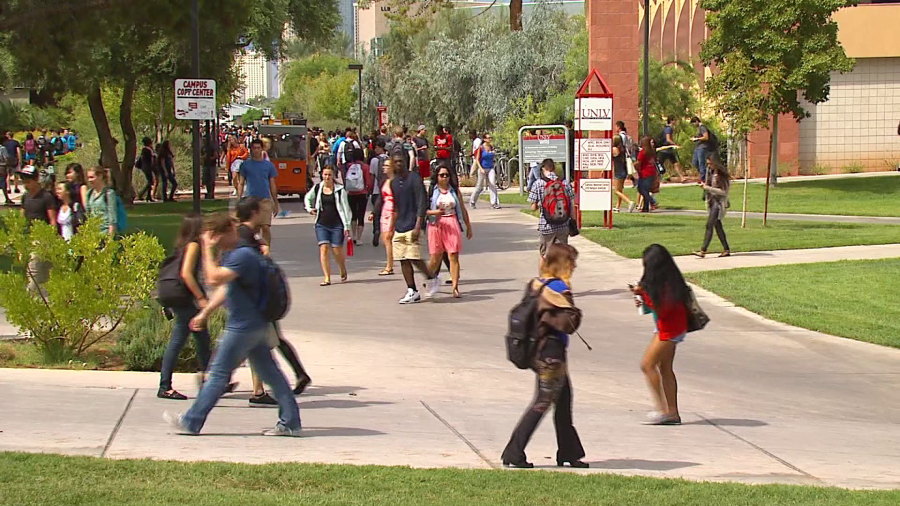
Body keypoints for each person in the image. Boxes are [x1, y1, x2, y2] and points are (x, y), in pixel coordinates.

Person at [164, 213, 301, 437]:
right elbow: (227, 288)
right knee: (272, 374)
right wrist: (205, 313)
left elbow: (212, 278)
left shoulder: (243, 255)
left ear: (229, 230)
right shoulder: (235, 255)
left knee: (218, 374)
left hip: (243, 327)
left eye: (216, 235)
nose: (214, 239)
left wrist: (207, 249)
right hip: (254, 325)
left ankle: (191, 422)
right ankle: (291, 422)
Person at [501, 243, 586, 469]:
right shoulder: (558, 289)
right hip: (551, 355)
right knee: (542, 401)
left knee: (564, 400)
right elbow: (570, 324)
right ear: (562, 264)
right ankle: (513, 452)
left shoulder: (535, 284)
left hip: (537, 352)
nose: (575, 266)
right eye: (571, 262)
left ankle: (569, 452)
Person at [237, 197, 312, 398]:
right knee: (266, 342)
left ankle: (256, 390)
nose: (264, 213)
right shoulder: (244, 235)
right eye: (261, 210)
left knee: (253, 345)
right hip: (257, 301)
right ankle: (293, 377)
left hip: (256, 302)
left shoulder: (247, 235)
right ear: (253, 213)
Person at [631, 244, 690, 426]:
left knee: (647, 365)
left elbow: (663, 310)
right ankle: (673, 412)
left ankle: (663, 409)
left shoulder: (667, 285)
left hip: (670, 329)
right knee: (665, 368)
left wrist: (644, 295)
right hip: (671, 327)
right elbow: (655, 309)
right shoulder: (666, 280)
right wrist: (642, 300)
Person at [157, 214, 211, 400]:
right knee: (179, 340)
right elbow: (187, 274)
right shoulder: (193, 245)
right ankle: (165, 386)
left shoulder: (181, 246)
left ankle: (211, 380)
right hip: (184, 299)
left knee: (202, 337)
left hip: (178, 297)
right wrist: (201, 297)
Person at [390, 155, 438, 304]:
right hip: (400, 226)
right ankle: (412, 290)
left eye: (401, 161)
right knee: (402, 259)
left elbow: (421, 203)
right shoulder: (393, 183)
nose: (398, 164)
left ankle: (432, 277)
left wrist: (418, 225)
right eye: (396, 162)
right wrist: (392, 226)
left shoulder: (415, 179)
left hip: (413, 225)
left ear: (406, 162)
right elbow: (396, 206)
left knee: (413, 257)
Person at [426, 163, 472, 298]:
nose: (444, 178)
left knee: (453, 255)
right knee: (435, 257)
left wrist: (468, 226)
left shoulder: (454, 191)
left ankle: (455, 287)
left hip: (451, 222)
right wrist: (434, 212)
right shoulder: (432, 191)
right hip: (436, 224)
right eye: (441, 175)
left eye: (447, 175)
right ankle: (431, 281)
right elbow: (424, 210)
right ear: (437, 177)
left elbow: (462, 209)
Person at [305, 166, 351, 286]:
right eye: (325, 175)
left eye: (329, 175)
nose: (327, 177)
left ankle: (342, 268)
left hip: (337, 224)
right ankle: (327, 277)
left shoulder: (340, 190)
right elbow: (308, 198)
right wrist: (310, 209)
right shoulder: (317, 188)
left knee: (337, 251)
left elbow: (346, 209)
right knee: (324, 248)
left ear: (333, 176)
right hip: (321, 223)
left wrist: (347, 226)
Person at [528, 159, 575, 270]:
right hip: (563, 224)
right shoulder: (564, 182)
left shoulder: (538, 183)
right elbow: (571, 203)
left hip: (546, 226)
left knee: (544, 256)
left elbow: (533, 207)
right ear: (554, 168)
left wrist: (541, 203)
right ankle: (562, 282)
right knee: (562, 255)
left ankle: (544, 281)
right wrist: (573, 220)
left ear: (543, 169)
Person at [19, 166, 58, 293]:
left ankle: (29, 296)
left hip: (41, 238)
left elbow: (52, 220)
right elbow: (21, 218)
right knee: (45, 271)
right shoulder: (25, 197)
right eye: (23, 180)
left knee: (34, 269)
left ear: (36, 180)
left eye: (28, 180)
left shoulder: (46, 197)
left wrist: (50, 238)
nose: (25, 183)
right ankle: (47, 297)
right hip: (28, 237)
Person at [237, 139, 279, 246]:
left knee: (265, 227)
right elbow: (241, 183)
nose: (256, 150)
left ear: (262, 149)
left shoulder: (268, 165)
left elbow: (272, 185)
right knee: (252, 228)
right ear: (251, 150)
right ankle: (254, 249)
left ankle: (266, 250)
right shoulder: (245, 165)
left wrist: (275, 202)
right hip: (250, 199)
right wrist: (239, 199)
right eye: (254, 148)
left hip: (264, 200)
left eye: (258, 148)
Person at [694, 154, 731, 258]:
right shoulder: (710, 173)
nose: (708, 166)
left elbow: (723, 191)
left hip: (718, 204)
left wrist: (707, 188)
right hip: (712, 202)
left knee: (709, 225)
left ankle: (703, 250)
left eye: (710, 163)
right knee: (718, 226)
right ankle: (726, 249)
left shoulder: (721, 176)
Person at [342, 149, 373, 246]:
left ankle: (353, 235)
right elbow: (368, 182)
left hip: (351, 193)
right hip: (362, 193)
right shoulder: (365, 167)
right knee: (361, 215)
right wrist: (369, 189)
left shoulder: (349, 166)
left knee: (353, 214)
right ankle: (359, 238)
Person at [371, 158, 396, 276]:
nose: (384, 167)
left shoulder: (396, 182)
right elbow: (380, 198)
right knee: (385, 238)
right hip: (385, 210)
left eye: (387, 165)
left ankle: (389, 266)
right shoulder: (384, 181)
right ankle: (390, 263)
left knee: (388, 238)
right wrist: (374, 212)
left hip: (393, 211)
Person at [85, 166, 119, 236]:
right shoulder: (89, 193)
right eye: (88, 178)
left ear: (100, 176)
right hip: (93, 233)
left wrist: (110, 239)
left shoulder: (109, 193)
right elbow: (88, 214)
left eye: (92, 177)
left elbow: (112, 217)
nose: (89, 180)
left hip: (105, 232)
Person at [469, 134, 499, 209]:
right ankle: (472, 201)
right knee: (479, 187)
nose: (490, 139)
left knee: (492, 184)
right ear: (485, 139)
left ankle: (494, 203)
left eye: (490, 138)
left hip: (490, 168)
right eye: (488, 138)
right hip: (482, 168)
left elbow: (493, 157)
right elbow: (477, 159)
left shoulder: (491, 147)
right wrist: (481, 168)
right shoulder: (481, 148)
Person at [369, 139, 388, 247]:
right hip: (387, 190)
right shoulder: (389, 159)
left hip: (377, 190)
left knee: (376, 213)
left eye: (376, 147)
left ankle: (376, 230)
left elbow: (372, 176)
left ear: (380, 147)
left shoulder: (374, 161)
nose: (375, 149)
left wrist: (370, 188)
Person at [612, 136, 636, 213]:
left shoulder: (614, 149)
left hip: (618, 172)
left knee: (616, 191)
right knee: (620, 190)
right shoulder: (623, 149)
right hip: (623, 170)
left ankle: (629, 202)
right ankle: (617, 207)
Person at [635, 137, 658, 213]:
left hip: (644, 173)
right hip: (652, 172)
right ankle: (645, 208)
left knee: (641, 189)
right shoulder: (652, 152)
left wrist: (632, 165)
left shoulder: (643, 152)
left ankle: (652, 201)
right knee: (646, 190)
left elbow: (639, 162)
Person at [690, 116, 712, 183]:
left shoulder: (702, 127)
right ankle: (706, 175)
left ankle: (703, 179)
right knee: (695, 162)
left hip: (702, 147)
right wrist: (696, 138)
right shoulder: (699, 128)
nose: (694, 125)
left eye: (694, 123)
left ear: (696, 121)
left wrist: (697, 139)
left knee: (701, 163)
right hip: (698, 147)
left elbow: (706, 137)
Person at [136, 137, 156, 202]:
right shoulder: (149, 150)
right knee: (151, 181)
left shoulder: (144, 150)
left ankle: (148, 196)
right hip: (148, 167)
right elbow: (151, 160)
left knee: (150, 181)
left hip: (144, 167)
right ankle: (142, 194)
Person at [4, 131, 21, 202]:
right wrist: (19, 159)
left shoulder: (5, 143)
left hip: (7, 160)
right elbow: (18, 151)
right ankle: (16, 187)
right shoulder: (15, 142)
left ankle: (8, 188)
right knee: (16, 174)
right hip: (14, 159)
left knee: (7, 174)